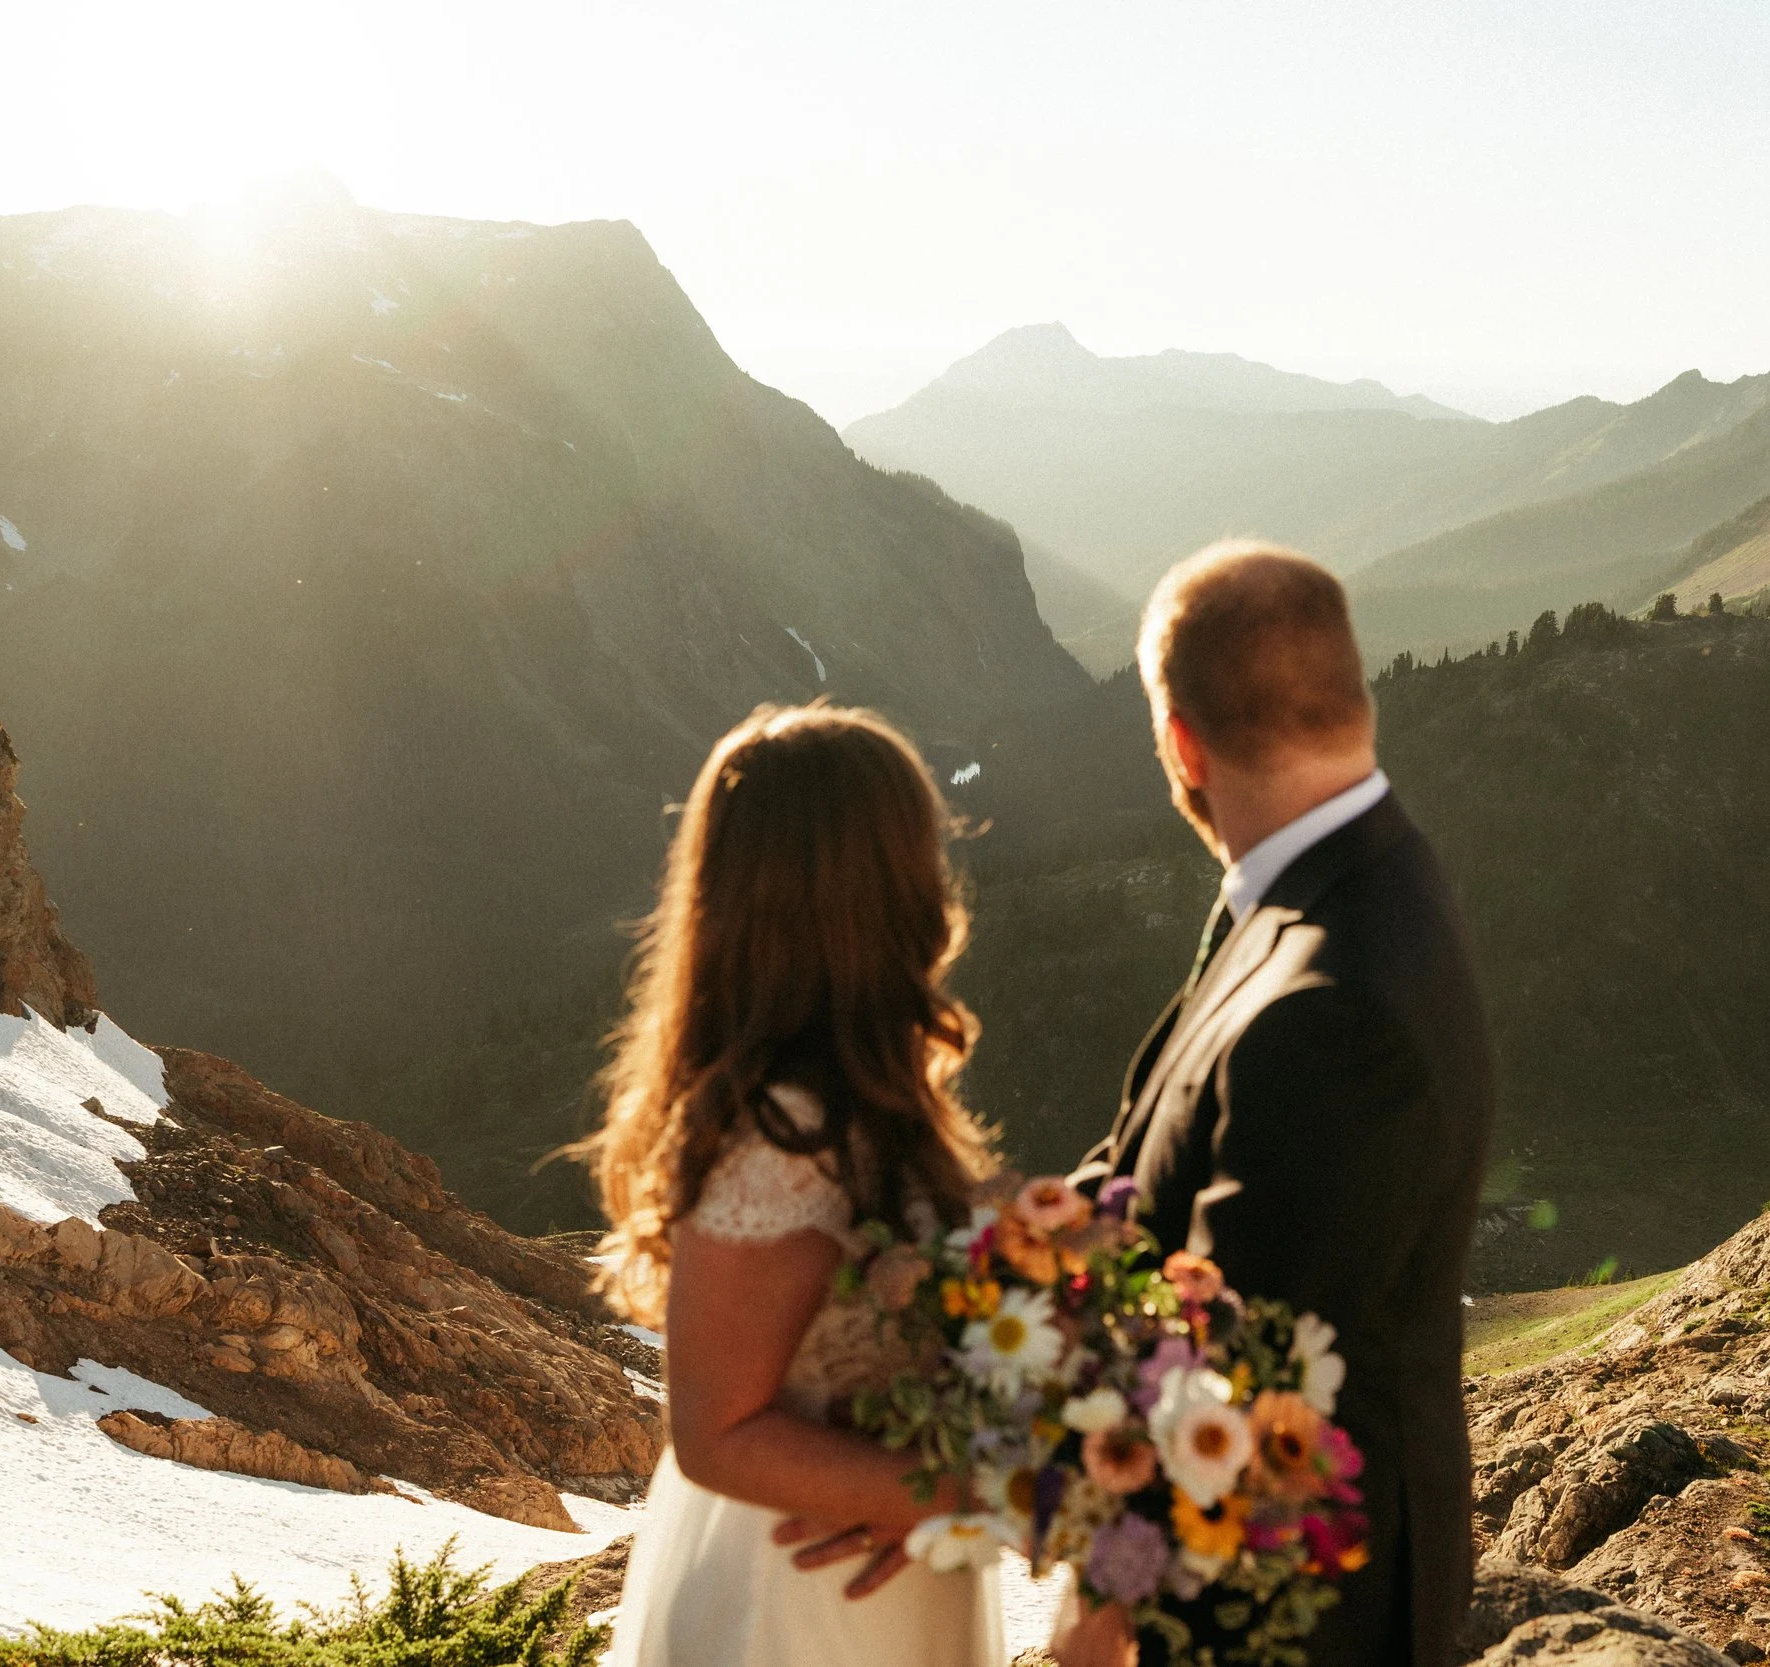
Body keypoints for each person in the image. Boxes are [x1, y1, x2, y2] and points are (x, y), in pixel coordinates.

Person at [1052, 541, 1494, 1667]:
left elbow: (1242, 1356)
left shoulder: (1328, 1001)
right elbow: (1150, 1153)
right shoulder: (1337, 882)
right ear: (1354, 699)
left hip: (1290, 1614)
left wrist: (1105, 1595)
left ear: (1179, 742)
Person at [587, 703, 1006, 1667]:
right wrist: (964, 1486)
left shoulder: (858, 1102)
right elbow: (716, 1430)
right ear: (873, 889)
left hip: (880, 1569)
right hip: (800, 1603)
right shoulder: (781, 1132)